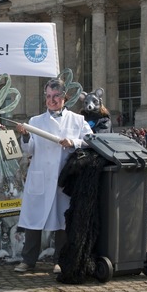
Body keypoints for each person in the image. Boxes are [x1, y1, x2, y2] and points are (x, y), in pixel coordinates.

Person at [14, 77, 92, 274]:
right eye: (48, 96)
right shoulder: (35, 121)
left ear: (64, 97)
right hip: (40, 176)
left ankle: (60, 260)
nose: (52, 100)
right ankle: (28, 260)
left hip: (63, 178)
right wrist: (24, 135)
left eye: (56, 96)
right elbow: (29, 149)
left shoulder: (78, 120)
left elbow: (92, 141)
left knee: (62, 221)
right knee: (33, 219)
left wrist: (73, 142)